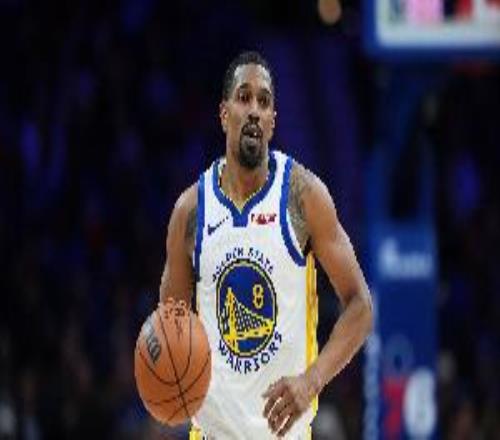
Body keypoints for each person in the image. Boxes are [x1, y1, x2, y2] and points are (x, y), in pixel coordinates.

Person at [159, 51, 373, 439]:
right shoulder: (190, 213)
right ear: (224, 114)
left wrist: (311, 380)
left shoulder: (304, 197)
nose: (254, 110)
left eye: (264, 101)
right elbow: (172, 331)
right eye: (244, 98)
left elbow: (361, 305)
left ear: (273, 121)